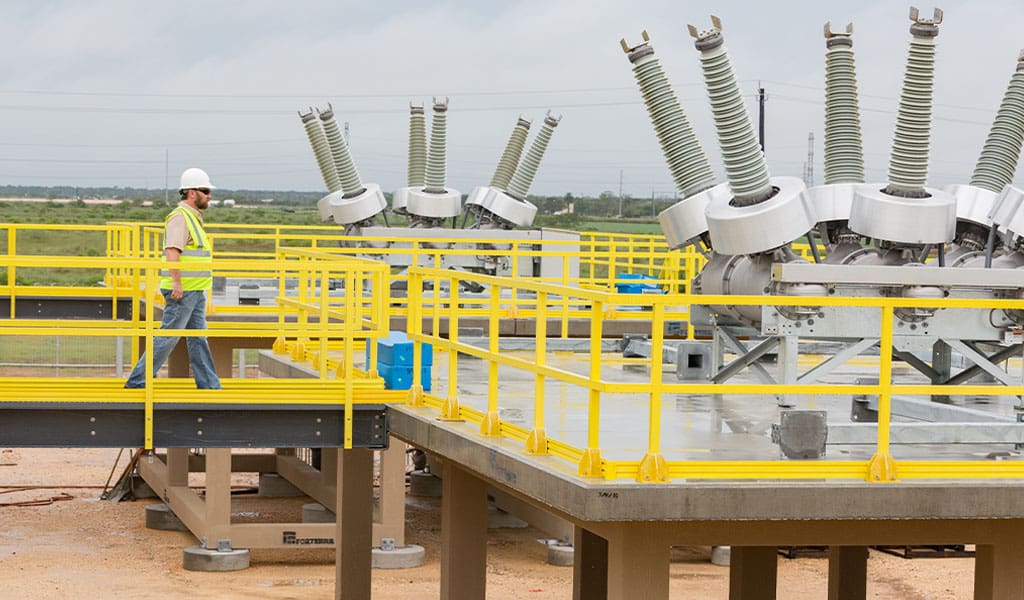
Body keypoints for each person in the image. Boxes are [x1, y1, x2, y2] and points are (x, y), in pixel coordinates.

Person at [125, 167, 222, 389]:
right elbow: (172, 252)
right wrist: (177, 283)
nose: (209, 196)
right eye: (205, 191)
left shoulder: (193, 218)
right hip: (183, 290)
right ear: (192, 193)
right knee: (168, 336)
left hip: (195, 290)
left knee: (198, 338)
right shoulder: (180, 217)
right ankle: (138, 380)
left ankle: (208, 384)